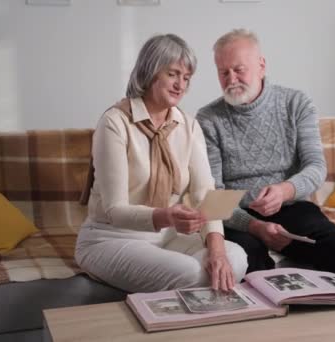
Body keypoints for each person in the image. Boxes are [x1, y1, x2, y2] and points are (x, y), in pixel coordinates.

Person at [75, 34, 248, 294]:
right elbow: (114, 209)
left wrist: (216, 250)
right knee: (190, 273)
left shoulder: (188, 125)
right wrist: (167, 216)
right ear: (151, 71)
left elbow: (206, 195)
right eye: (173, 74)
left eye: (186, 78)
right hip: (111, 237)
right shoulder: (115, 122)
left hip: (167, 238)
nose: (181, 85)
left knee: (235, 259)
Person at [196, 29, 335, 276]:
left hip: (292, 207)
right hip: (236, 215)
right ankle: (268, 313)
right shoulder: (208, 119)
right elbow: (214, 196)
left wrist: (284, 190)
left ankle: (332, 310)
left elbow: (316, 168)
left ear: (261, 65)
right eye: (223, 72)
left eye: (239, 69)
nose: (231, 79)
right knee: (248, 256)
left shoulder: (296, 103)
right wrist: (254, 226)